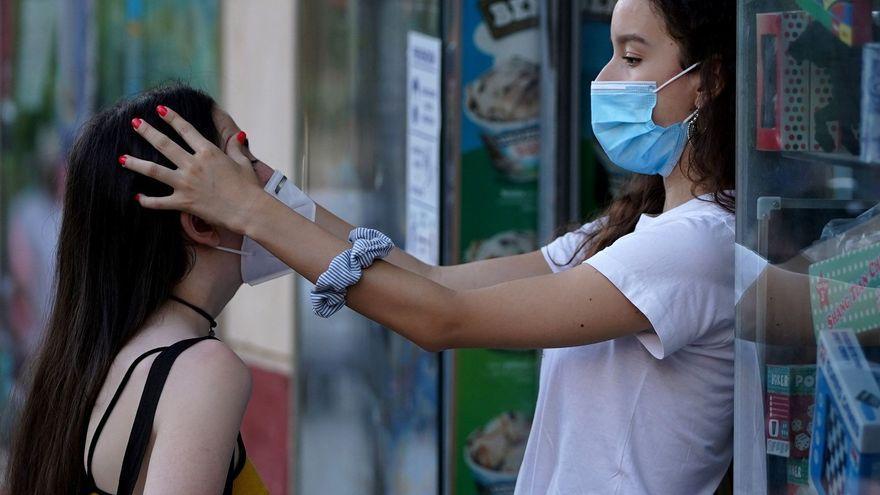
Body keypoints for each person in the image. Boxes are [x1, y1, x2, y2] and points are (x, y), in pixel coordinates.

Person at [120, 0, 736, 492]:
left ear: (707, 81)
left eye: (631, 57)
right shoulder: (634, 230)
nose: (603, 80)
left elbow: (445, 318)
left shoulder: (696, 247)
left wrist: (251, 212)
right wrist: (270, 190)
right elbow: (432, 281)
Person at [4, 85, 269, 494]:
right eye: (244, 159)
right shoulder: (201, 370)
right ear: (199, 222)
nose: (268, 178)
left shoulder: (99, 357)